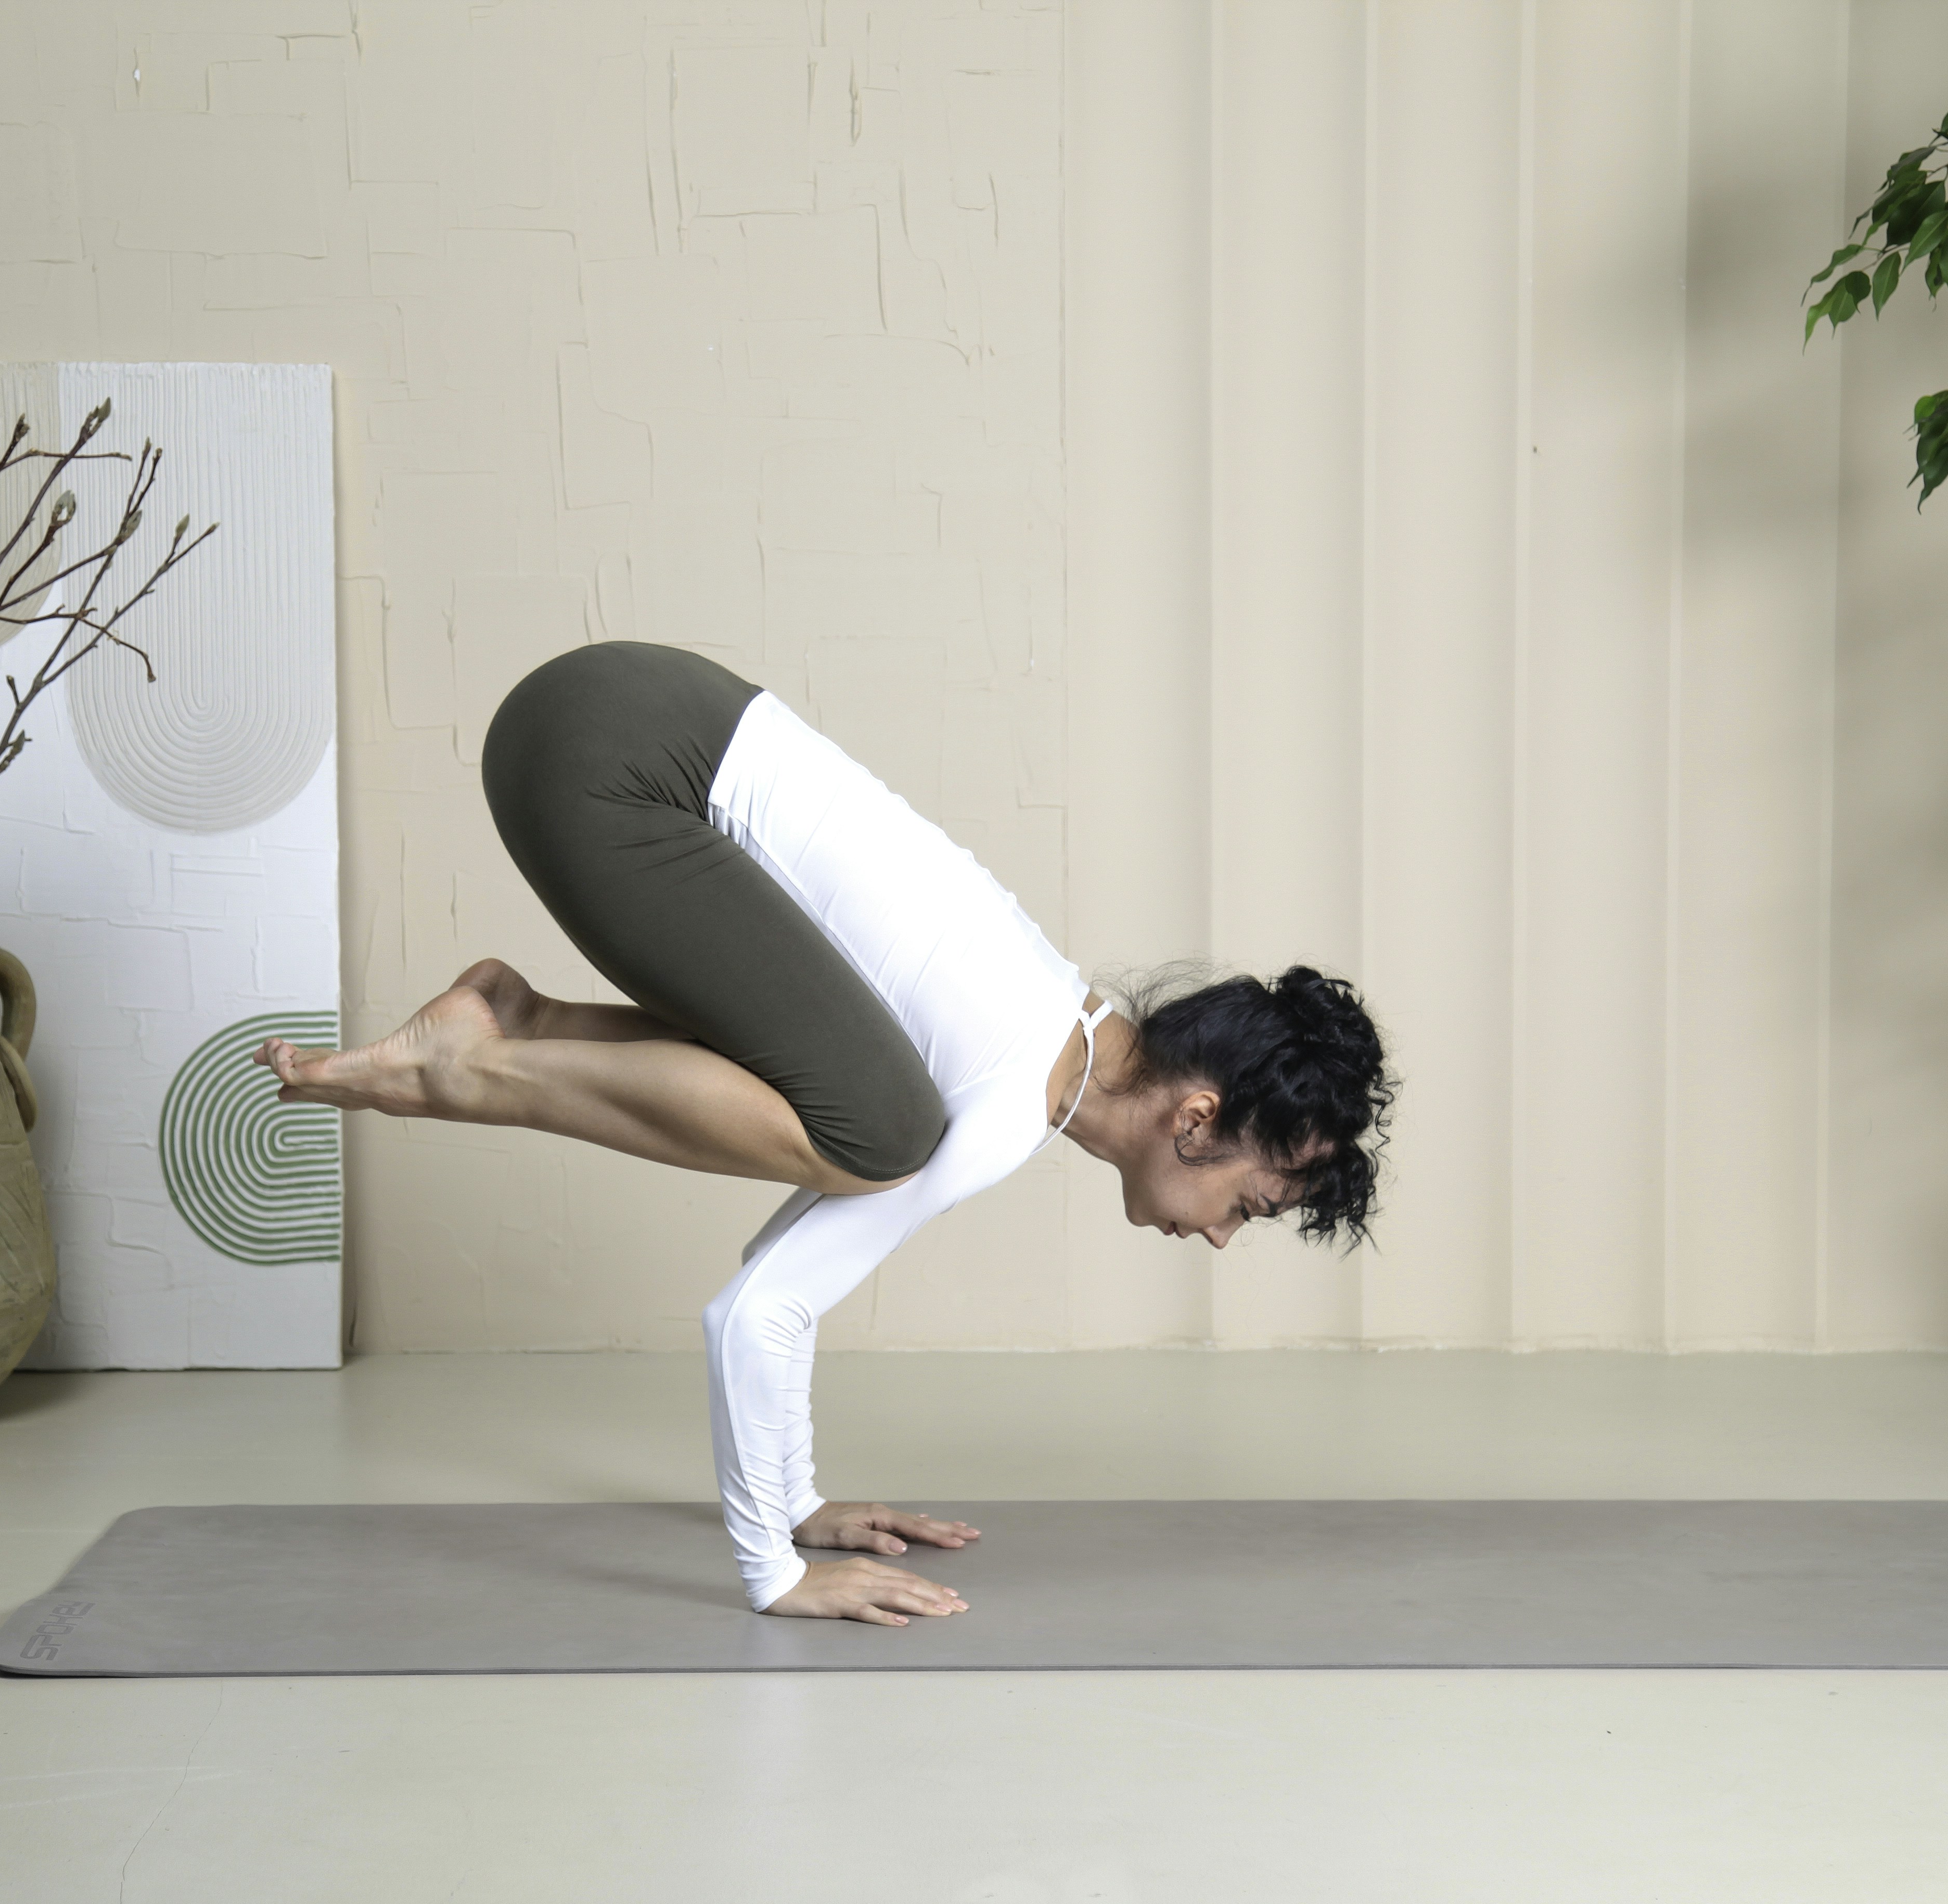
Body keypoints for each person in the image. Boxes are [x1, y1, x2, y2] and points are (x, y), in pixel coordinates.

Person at [255, 640, 1394, 1625]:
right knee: (883, 1131)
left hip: (613, 722)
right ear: (1199, 1119)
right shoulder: (1009, 1101)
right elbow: (760, 1310)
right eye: (1248, 1205)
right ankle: (476, 1064)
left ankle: (510, 1024)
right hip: (612, 761)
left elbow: (778, 1265)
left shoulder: (1044, 1021)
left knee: (871, 1121)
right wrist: (775, 1569)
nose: (1222, 1239)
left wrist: (800, 1501)